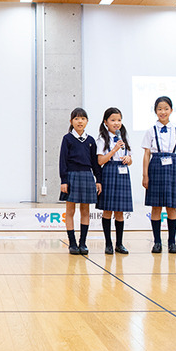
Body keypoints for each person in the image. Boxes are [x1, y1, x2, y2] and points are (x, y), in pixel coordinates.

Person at [141, 96, 176, 254]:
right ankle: (157, 242)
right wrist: (145, 175)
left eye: (166, 108)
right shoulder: (150, 131)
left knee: (172, 207)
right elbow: (147, 154)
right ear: (155, 111)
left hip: (173, 168)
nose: (163, 112)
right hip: (156, 166)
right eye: (160, 109)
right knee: (156, 207)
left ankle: (172, 242)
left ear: (171, 110)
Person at [59, 107, 102, 255]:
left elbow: (95, 163)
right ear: (71, 121)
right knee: (70, 210)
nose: (80, 121)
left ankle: (82, 243)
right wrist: (64, 180)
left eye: (83, 118)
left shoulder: (90, 140)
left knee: (85, 210)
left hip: (87, 176)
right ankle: (72, 243)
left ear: (87, 121)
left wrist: (98, 179)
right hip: (71, 175)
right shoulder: (67, 138)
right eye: (76, 118)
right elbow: (62, 161)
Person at [96, 107, 133, 255]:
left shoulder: (124, 138)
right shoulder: (102, 139)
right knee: (107, 210)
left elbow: (130, 160)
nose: (116, 123)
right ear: (106, 122)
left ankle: (119, 243)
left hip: (123, 173)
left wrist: (128, 159)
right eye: (113, 120)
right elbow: (100, 161)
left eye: (119, 120)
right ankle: (108, 244)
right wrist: (114, 150)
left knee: (120, 212)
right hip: (109, 171)